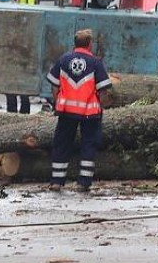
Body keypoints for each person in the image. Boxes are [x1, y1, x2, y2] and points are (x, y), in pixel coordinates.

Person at [46, 29, 112, 192]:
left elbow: (54, 85)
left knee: (61, 144)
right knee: (88, 144)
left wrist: (58, 101)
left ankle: (56, 181)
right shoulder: (95, 63)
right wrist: (100, 106)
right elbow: (103, 90)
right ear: (90, 44)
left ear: (75, 43)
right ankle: (84, 182)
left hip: (66, 111)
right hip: (89, 114)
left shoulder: (63, 60)